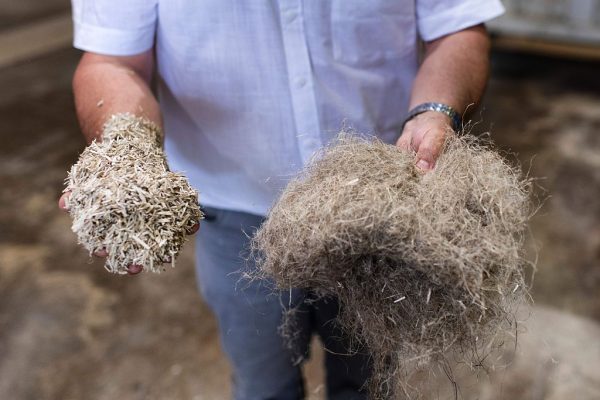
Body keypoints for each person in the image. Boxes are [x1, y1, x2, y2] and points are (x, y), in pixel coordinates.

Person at [59, 1, 505, 399]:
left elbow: (457, 28)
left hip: (381, 212)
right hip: (236, 211)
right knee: (263, 385)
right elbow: (113, 62)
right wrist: (128, 149)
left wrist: (435, 111)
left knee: (367, 383)